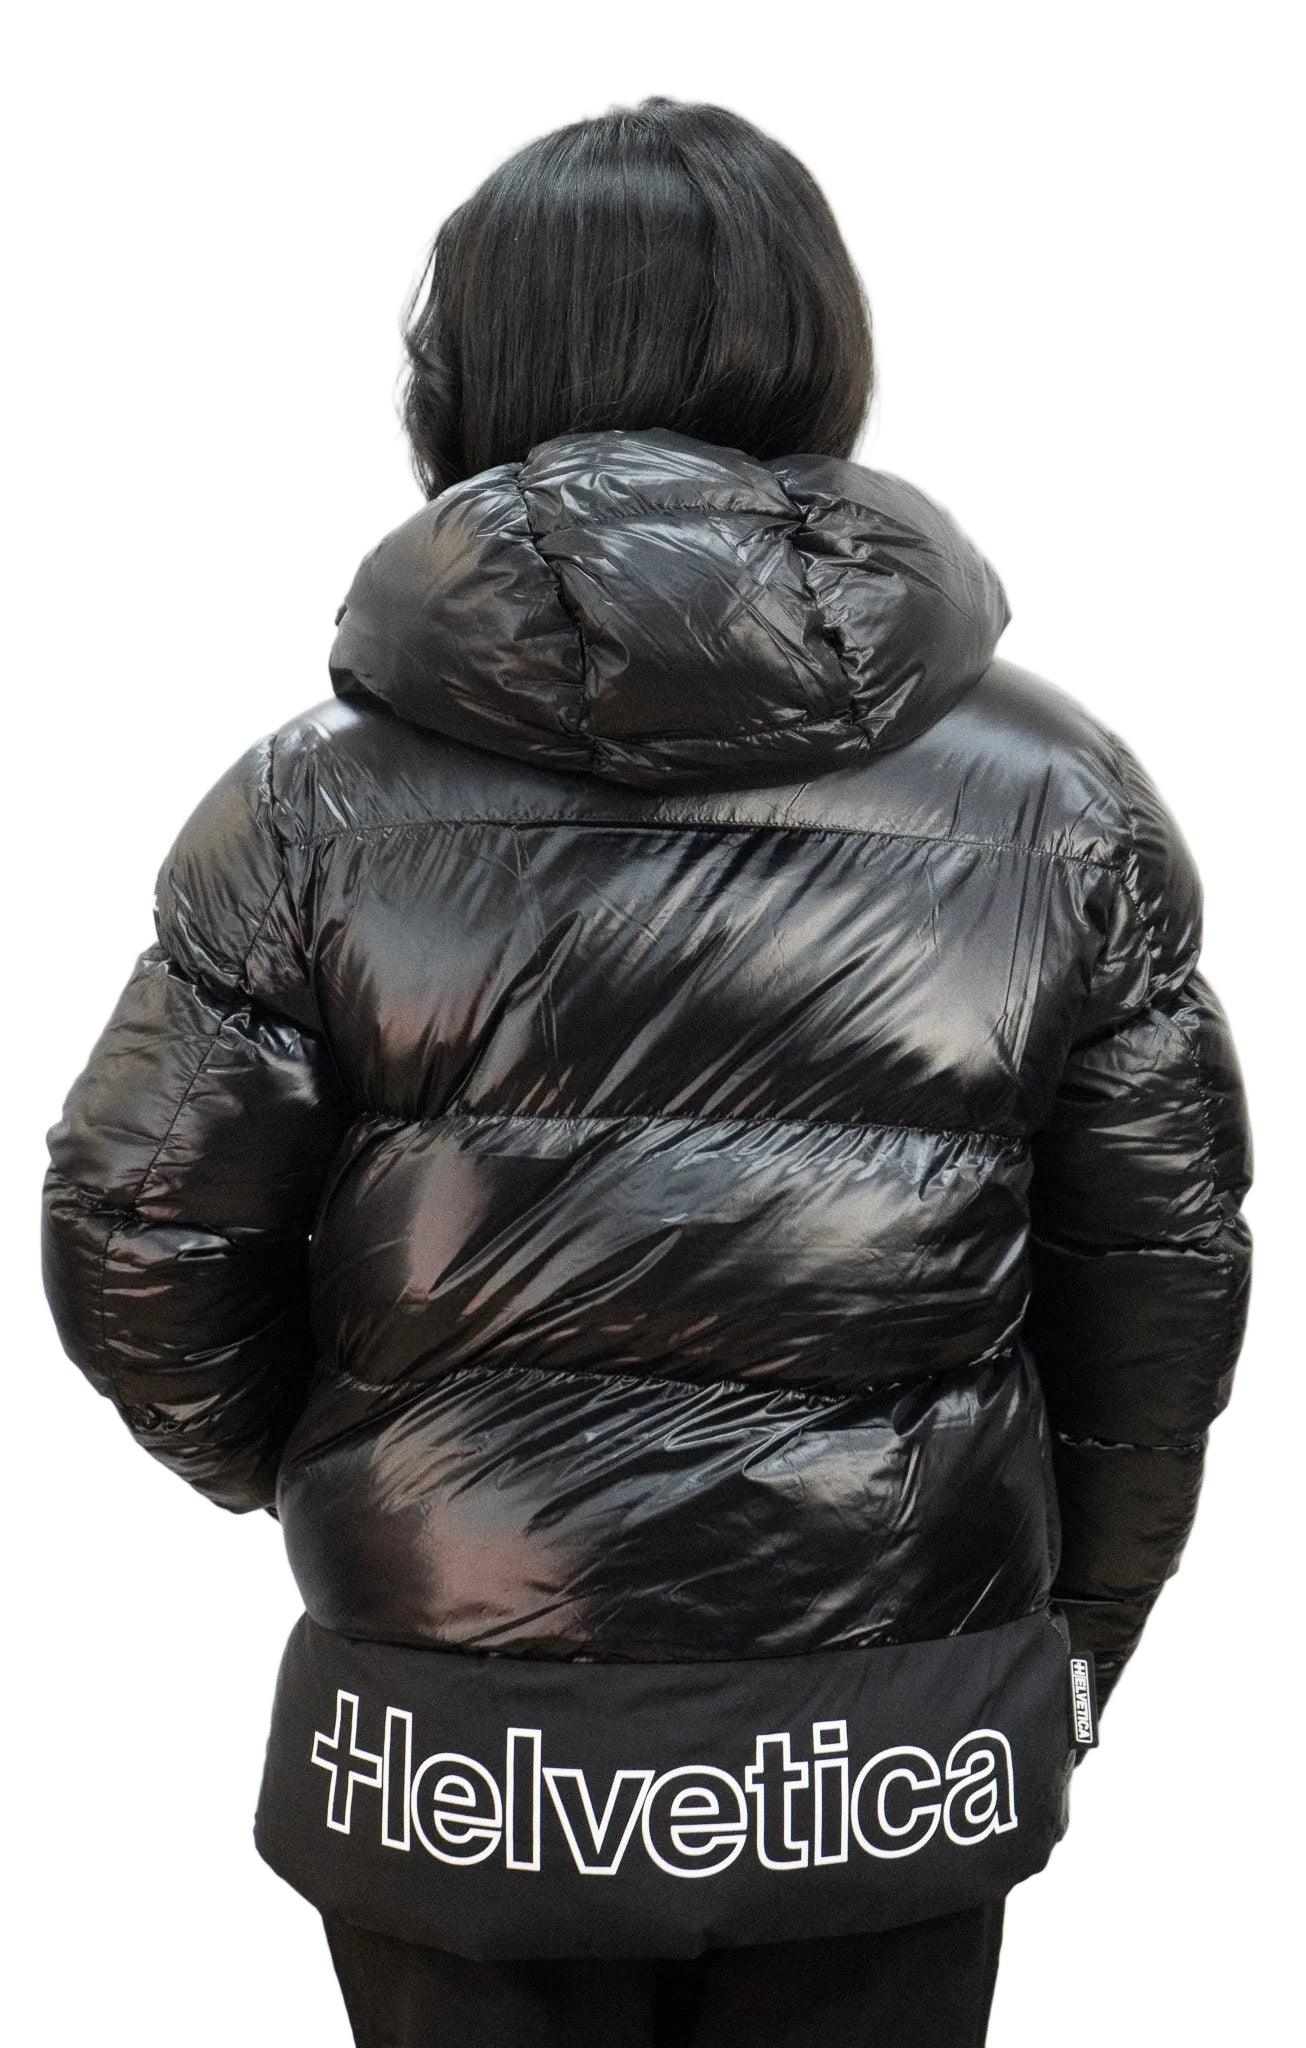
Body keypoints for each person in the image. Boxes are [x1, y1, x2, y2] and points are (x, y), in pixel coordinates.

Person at [41, 97, 1251, 2048]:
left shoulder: (308, 811)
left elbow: (137, 1234)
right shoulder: (1060, 802)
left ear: (466, 370)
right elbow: (1155, 1291)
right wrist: (1066, 1640)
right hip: (889, 1734)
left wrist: (373, 1470)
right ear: (816, 347)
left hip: (459, 1741)